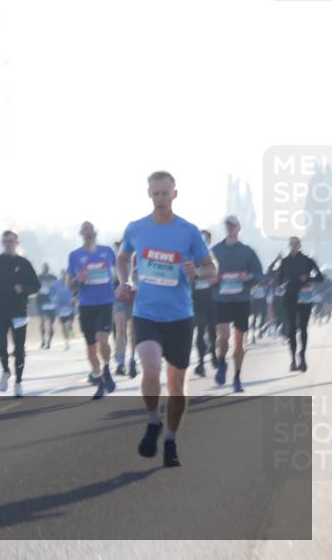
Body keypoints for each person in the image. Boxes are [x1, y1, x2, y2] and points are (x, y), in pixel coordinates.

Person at [117, 171, 215, 468]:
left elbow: (211, 269)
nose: (160, 198)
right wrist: (123, 282)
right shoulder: (136, 228)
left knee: (176, 385)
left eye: (165, 193)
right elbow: (122, 258)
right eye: (155, 193)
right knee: (149, 365)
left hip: (179, 317)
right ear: (149, 194)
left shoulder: (188, 231)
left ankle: (171, 438)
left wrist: (196, 273)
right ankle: (152, 420)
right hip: (146, 313)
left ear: (174, 194)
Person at [0, 231, 41, 397]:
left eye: (11, 241)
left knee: (19, 348)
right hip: (0, 310)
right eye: (5, 241)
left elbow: (36, 285)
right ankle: (6, 370)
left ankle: (18, 382)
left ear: (17, 242)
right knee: (1, 345)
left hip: (19, 311)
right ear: (2, 243)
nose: (8, 244)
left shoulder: (24, 263)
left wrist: (24, 289)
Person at [210, 216, 263, 393]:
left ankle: (237, 377)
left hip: (241, 300)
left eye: (233, 226)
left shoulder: (247, 251)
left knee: (240, 341)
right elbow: (204, 272)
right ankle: (222, 361)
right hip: (222, 299)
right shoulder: (215, 250)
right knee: (224, 335)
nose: (230, 228)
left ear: (239, 228)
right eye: (227, 226)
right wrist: (212, 278)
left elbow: (259, 274)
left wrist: (249, 277)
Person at [68, 221, 117, 399]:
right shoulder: (75, 255)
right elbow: (69, 283)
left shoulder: (108, 251)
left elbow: (119, 270)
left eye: (91, 231)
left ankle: (106, 367)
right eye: (85, 231)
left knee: (102, 339)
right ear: (81, 234)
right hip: (86, 305)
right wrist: (77, 280)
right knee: (91, 348)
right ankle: (99, 379)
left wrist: (120, 285)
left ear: (95, 233)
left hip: (105, 302)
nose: (88, 234)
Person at [276, 237, 325, 372]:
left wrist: (308, 278)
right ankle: (292, 359)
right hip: (289, 296)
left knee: (303, 327)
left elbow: (320, 277)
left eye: (295, 244)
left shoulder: (308, 261)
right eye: (291, 244)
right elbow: (278, 279)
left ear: (299, 245)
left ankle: (302, 356)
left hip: (304, 296)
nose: (293, 246)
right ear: (289, 245)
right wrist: (283, 283)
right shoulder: (284, 262)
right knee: (291, 328)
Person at [191, 229, 217, 377]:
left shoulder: (212, 256)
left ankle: (213, 351)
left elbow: (216, 275)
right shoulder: (191, 256)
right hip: (197, 298)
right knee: (200, 330)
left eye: (205, 239)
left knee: (212, 330)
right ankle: (201, 363)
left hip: (212, 297)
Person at [113, 240, 138, 378]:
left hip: (135, 298)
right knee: (120, 330)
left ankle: (133, 359)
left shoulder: (137, 259)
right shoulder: (115, 262)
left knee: (133, 332)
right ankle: (120, 362)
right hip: (119, 299)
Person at [50, 271, 76, 350]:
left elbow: (77, 292)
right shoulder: (56, 284)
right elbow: (51, 294)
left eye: (66, 274)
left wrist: (75, 300)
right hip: (60, 308)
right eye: (63, 274)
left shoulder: (72, 282)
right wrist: (54, 301)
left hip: (71, 307)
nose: (64, 276)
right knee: (64, 326)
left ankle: (71, 335)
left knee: (69, 324)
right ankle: (67, 342)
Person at [36, 263, 58, 349]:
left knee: (51, 323)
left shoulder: (53, 277)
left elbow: (57, 289)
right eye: (44, 267)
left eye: (47, 267)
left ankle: (49, 342)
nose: (45, 268)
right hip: (41, 301)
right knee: (42, 320)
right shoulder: (39, 277)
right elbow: (35, 287)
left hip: (51, 301)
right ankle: (43, 341)